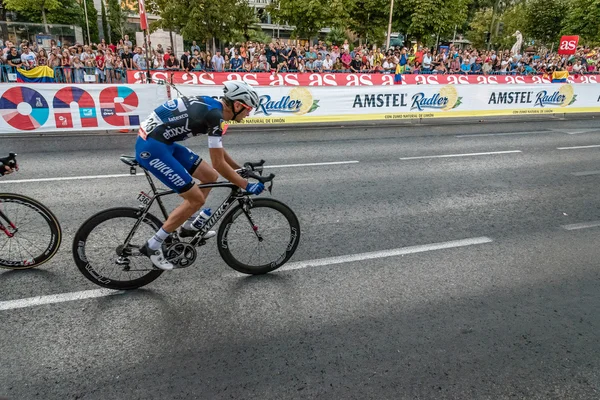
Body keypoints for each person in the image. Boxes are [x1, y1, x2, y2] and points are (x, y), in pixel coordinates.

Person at [135, 81, 263, 270]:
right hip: (153, 148)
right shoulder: (216, 117)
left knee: (209, 176)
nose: (249, 113)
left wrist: (238, 169)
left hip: (163, 142)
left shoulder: (214, 108)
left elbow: (218, 153)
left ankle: (189, 226)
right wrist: (245, 185)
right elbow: (219, 163)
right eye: (248, 109)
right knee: (195, 199)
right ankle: (153, 245)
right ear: (237, 105)